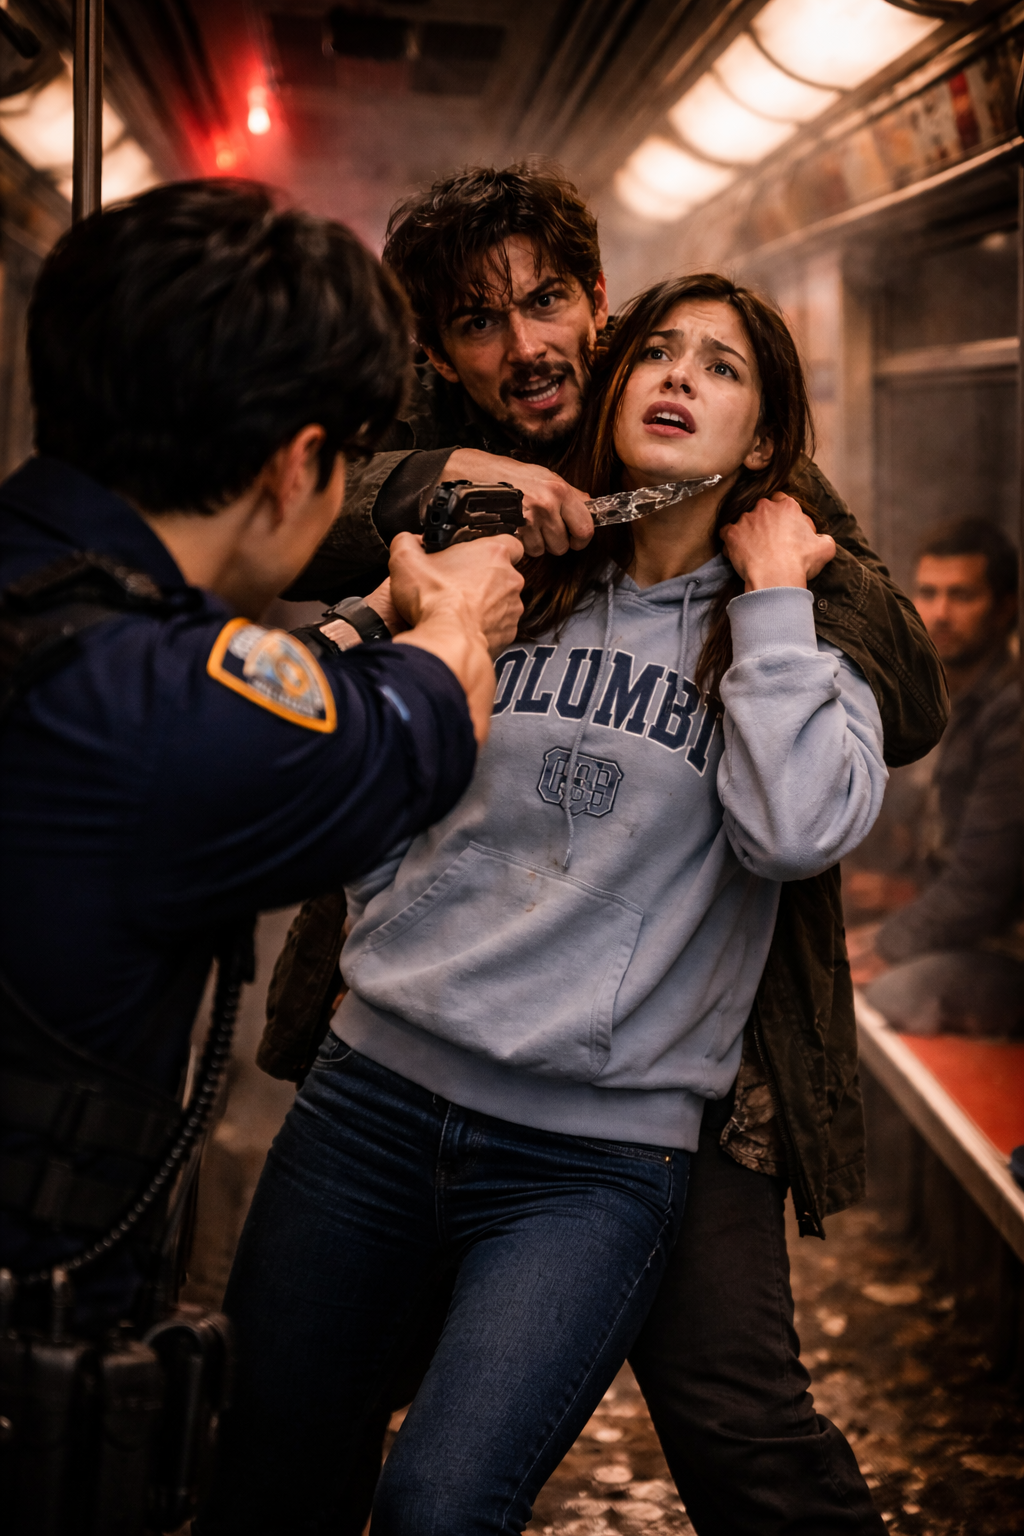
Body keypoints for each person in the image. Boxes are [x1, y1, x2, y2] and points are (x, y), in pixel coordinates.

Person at [257, 167, 947, 1535]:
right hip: (403, 1060)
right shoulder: (454, 487)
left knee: (731, 1417)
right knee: (288, 1441)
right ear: (437, 354)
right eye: (477, 324)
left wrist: (764, 569)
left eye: (552, 303)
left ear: (602, 306)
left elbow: (907, 691)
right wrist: (456, 487)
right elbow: (287, 521)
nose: (525, 349)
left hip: (648, 1095)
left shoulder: (747, 483)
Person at [0, 179, 523, 1337]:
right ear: (295, 466)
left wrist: (366, 620)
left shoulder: (56, 608)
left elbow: (240, 704)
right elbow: (414, 735)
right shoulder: (153, 712)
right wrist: (450, 619)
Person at [852, 519, 1022, 1037]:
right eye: (928, 592)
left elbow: (982, 889)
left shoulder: (1012, 711)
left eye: (962, 595)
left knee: (890, 996)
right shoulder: (936, 697)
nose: (940, 613)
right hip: (961, 926)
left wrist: (884, 947)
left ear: (1006, 607)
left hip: (1006, 945)